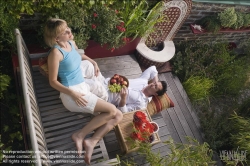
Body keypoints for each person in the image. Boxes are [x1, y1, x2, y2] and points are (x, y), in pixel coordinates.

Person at [43, 18, 123, 165]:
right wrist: (72, 93)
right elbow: (53, 81)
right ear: (56, 38)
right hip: (72, 94)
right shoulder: (55, 53)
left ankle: (92, 141)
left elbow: (78, 55)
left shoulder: (70, 43)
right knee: (112, 111)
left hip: (82, 86)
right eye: (65, 31)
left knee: (119, 116)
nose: (69, 31)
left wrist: (93, 61)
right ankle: (79, 135)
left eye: (67, 27)